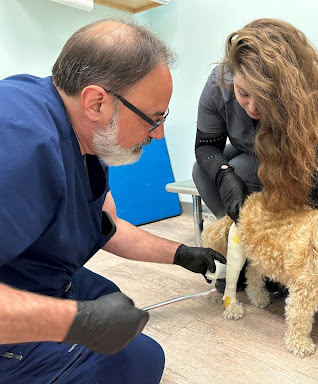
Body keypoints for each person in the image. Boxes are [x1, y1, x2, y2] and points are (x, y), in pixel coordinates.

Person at [0, 19, 226, 383]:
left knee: (116, 306)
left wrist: (183, 254)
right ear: (96, 102)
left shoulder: (82, 136)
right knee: (137, 361)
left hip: (39, 274)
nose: (159, 133)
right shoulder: (20, 148)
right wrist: (75, 322)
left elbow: (105, 226)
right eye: (153, 119)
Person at [192, 18, 318, 292]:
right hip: (249, 153)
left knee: (243, 168)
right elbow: (205, 147)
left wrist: (295, 244)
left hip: (298, 165)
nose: (252, 107)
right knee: (203, 170)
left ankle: (270, 255)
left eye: (265, 97)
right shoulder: (219, 83)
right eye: (243, 93)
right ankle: (236, 242)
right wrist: (225, 177)